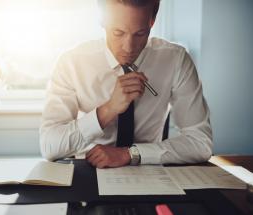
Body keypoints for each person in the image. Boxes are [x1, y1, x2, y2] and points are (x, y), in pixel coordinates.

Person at [40, 0, 213, 168]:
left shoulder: (176, 60)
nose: (129, 47)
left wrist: (129, 154)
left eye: (140, 33)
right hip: (88, 171)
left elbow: (200, 142)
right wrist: (108, 110)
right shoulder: (71, 63)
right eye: (118, 33)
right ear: (102, 20)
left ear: (152, 22)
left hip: (148, 172)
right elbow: (49, 146)